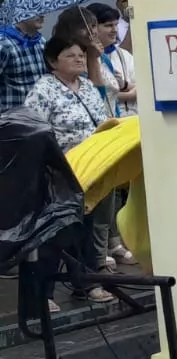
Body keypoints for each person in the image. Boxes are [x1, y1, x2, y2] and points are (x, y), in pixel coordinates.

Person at [22, 36, 117, 302]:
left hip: (92, 169)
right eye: (70, 55)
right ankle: (43, 294)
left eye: (80, 55)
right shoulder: (43, 89)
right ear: (53, 61)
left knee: (86, 229)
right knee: (57, 232)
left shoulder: (87, 86)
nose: (78, 59)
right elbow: (33, 132)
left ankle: (85, 284)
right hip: (59, 172)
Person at [0, 13, 47, 112]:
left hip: (39, 115)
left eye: (41, 10)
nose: (42, 15)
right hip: (12, 118)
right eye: (35, 11)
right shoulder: (4, 44)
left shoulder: (41, 41)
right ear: (20, 13)